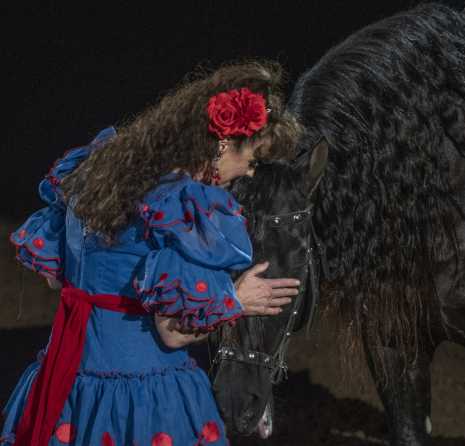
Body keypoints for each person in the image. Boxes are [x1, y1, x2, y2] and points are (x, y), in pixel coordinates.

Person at [1, 62, 301, 446]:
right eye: (253, 159)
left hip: (68, 383)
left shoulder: (101, 171)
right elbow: (172, 333)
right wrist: (234, 299)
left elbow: (55, 277)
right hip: (142, 394)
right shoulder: (184, 206)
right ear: (223, 144)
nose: (248, 173)